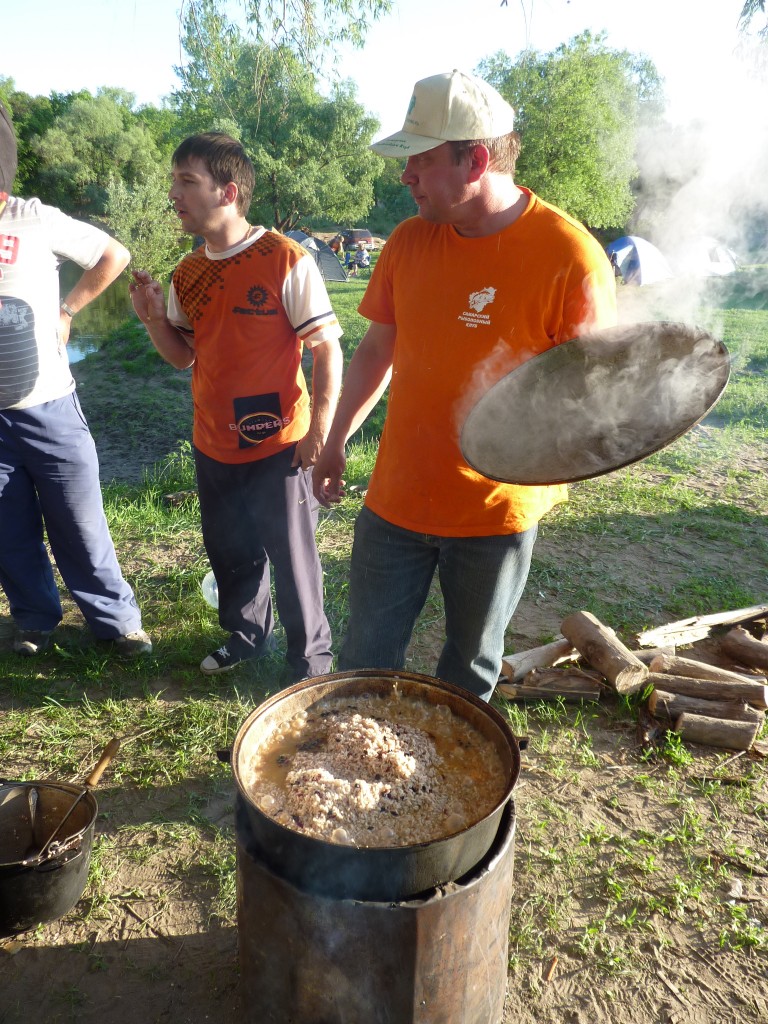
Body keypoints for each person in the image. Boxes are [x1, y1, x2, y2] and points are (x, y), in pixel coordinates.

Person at [313, 70, 617, 701]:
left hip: (495, 511)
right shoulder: (408, 241)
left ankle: (454, 766)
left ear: (475, 160)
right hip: (396, 499)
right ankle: (357, 758)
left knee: (470, 668)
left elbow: (587, 397)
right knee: (365, 658)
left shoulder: (570, 257)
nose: (405, 177)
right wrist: (336, 437)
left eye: (420, 161)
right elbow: (377, 351)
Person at [129, 132, 343, 679]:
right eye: (174, 181)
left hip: (279, 442)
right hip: (213, 440)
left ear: (227, 191)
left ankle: (310, 665)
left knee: (293, 561)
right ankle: (247, 637)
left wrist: (319, 434)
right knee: (229, 549)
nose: (173, 193)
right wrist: (153, 319)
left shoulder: (285, 259)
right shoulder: (187, 272)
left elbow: (326, 349)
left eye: (187, 181)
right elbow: (183, 356)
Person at [0, 101, 152, 658]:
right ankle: (34, 620)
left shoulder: (34, 217)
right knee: (8, 530)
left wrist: (68, 309)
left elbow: (114, 254)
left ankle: (116, 624)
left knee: (79, 522)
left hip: (50, 407)